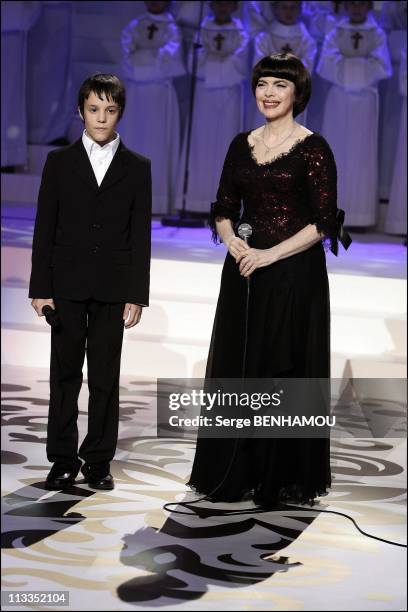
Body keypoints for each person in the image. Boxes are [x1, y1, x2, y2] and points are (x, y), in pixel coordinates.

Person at [187, 53, 348, 508]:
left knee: (283, 370)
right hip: (244, 273)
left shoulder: (314, 147)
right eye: (262, 84)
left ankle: (280, 476)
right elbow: (222, 207)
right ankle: (235, 470)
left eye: (280, 85)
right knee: (241, 369)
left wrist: (268, 254)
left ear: (297, 93)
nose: (269, 93)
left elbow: (322, 223)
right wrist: (231, 241)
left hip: (294, 274)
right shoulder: (242, 144)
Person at [29, 74, 152, 491]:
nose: (102, 118)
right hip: (65, 284)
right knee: (63, 375)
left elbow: (140, 234)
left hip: (113, 288)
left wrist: (137, 293)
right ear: (80, 111)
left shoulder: (138, 167)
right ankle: (62, 457)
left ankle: (98, 459)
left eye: (110, 110)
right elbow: (45, 227)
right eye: (94, 109)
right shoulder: (59, 163)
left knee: (104, 377)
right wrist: (39, 287)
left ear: (121, 112)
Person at [317, 1, 392, 227]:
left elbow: (381, 66)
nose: (357, 8)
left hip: (365, 101)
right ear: (345, 6)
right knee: (335, 151)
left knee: (362, 153)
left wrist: (348, 66)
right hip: (338, 99)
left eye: (362, 4)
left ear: (369, 7)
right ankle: (329, 212)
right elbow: (325, 64)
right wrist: (360, 66)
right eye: (353, 4)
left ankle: (360, 215)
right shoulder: (335, 32)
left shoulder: (377, 34)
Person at [175, 0, 249, 213]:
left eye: (227, 3)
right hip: (204, 95)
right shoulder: (202, 30)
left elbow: (240, 63)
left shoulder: (241, 32)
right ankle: (195, 202)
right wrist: (221, 62)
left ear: (234, 6)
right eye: (218, 3)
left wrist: (212, 62)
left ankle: (227, 202)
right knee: (201, 143)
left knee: (228, 143)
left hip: (230, 94)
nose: (222, 7)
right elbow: (194, 62)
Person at [120, 0, 185, 215]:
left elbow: (169, 60)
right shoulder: (133, 26)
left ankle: (156, 201)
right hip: (136, 95)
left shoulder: (173, 29)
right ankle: (128, 199)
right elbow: (126, 59)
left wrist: (142, 56)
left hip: (160, 94)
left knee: (159, 144)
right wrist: (153, 56)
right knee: (133, 141)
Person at [247, 1, 317, 129]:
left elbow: (307, 68)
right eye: (284, 7)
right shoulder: (264, 38)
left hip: (293, 97)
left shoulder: (306, 40)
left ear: (300, 9)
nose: (289, 12)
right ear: (275, 9)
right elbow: (259, 66)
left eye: (293, 7)